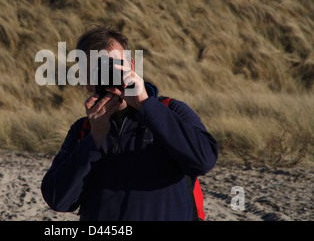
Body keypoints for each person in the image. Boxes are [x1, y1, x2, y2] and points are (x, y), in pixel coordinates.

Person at [41, 26, 218, 221]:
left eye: (114, 66)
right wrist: (94, 140)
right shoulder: (83, 130)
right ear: (86, 81)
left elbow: (204, 160)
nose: (109, 76)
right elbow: (58, 200)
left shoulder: (171, 110)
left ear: (132, 67)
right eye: (98, 71)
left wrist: (147, 106)